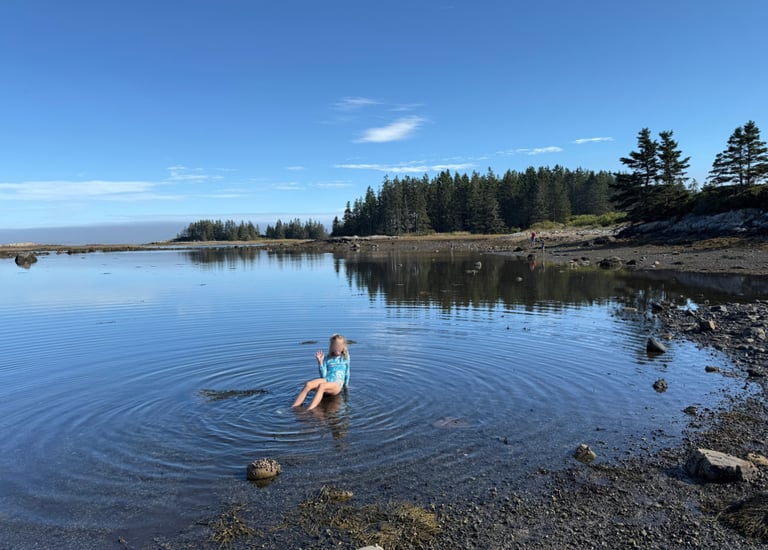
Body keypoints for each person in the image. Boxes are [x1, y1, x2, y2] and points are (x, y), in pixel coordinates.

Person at [292, 333, 350, 410]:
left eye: (339, 345)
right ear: (332, 346)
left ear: (343, 346)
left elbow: (347, 372)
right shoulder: (327, 358)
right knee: (308, 384)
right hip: (327, 380)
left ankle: (309, 409)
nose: (337, 348)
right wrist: (320, 363)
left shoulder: (345, 358)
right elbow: (324, 376)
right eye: (335, 345)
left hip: (337, 384)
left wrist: (346, 386)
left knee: (321, 386)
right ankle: (293, 407)